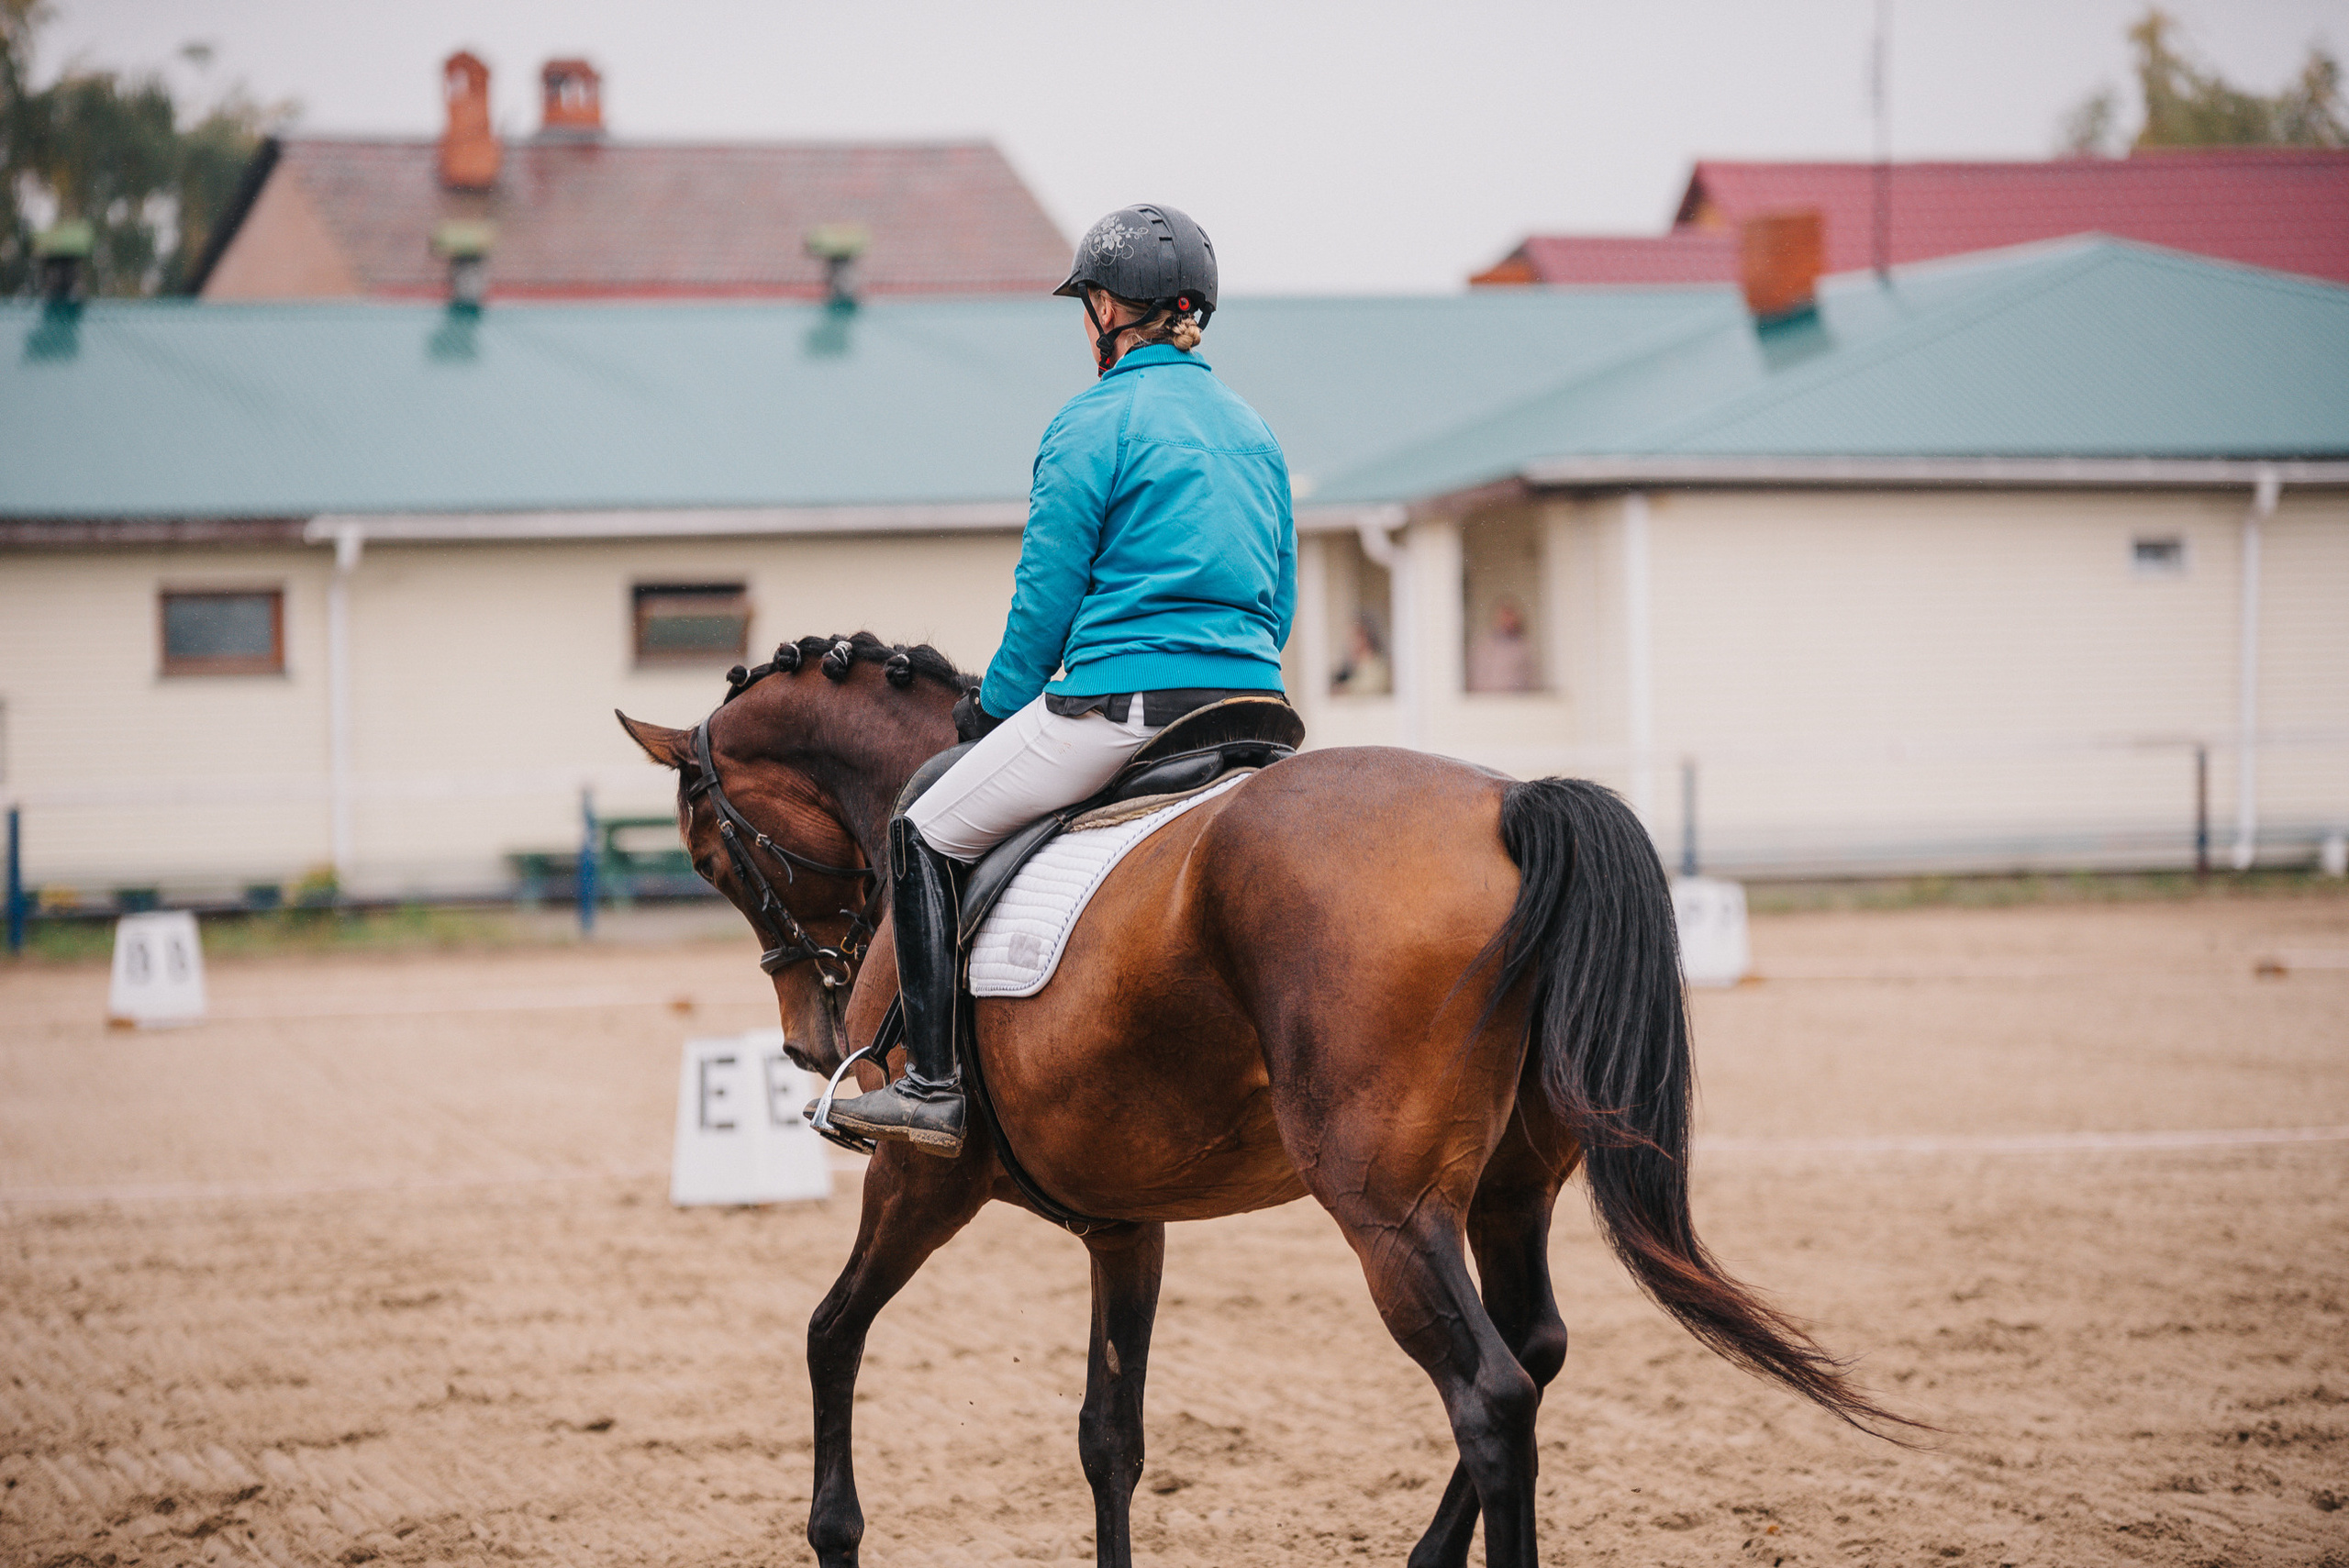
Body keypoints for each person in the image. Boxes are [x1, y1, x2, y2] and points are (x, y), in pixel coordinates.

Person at [824, 204, 1297, 1156]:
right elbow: (1277, 592)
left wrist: (992, 706)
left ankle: (932, 1083)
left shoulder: (1090, 421)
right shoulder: (1253, 429)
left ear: (1108, 311)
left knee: (922, 826)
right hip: (1254, 709)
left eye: (1084, 304)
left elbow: (1044, 600)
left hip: (1126, 706)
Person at [1466, 596, 1537, 693]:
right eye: (1504, 615)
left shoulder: (1524, 647)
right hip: (1489, 701)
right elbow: (1476, 679)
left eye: (1510, 615)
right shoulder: (1483, 646)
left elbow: (1531, 680)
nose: (1507, 620)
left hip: (1517, 702)